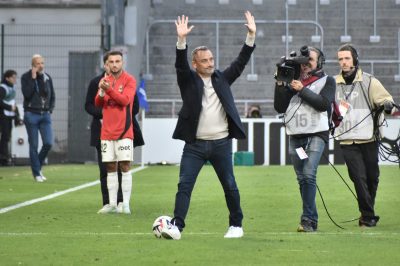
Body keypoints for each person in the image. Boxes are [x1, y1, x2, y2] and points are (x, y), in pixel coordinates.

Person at [163, 11, 256, 240]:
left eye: (211, 59)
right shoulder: (188, 79)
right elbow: (180, 64)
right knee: (184, 185)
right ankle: (176, 226)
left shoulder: (222, 78)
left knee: (230, 185)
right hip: (194, 146)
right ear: (195, 65)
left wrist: (251, 36)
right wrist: (181, 41)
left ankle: (236, 225)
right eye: (204, 61)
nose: (210, 63)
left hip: (221, 143)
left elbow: (241, 61)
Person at [334, 44, 397, 227]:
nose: (343, 62)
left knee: (372, 177)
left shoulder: (370, 81)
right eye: (340, 59)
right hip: (347, 139)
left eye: (346, 58)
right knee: (358, 177)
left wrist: (387, 106)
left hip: (370, 138)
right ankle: (368, 216)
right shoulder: (333, 83)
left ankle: (366, 213)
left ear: (355, 59)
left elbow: (387, 100)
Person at [274, 46, 336, 232]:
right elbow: (279, 107)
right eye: (303, 61)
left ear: (319, 63)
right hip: (296, 137)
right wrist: (279, 82)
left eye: (310, 61)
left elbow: (323, 104)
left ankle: (307, 219)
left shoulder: (327, 80)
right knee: (302, 178)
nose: (306, 65)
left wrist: (301, 90)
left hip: (316, 134)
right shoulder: (291, 81)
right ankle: (311, 219)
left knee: (309, 173)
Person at [85, 52, 144, 213]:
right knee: (109, 167)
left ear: (122, 63)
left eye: (117, 61)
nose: (115, 64)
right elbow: (97, 102)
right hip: (106, 132)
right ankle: (111, 204)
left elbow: (125, 100)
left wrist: (108, 90)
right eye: (111, 61)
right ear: (107, 64)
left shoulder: (129, 80)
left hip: (124, 131)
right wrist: (102, 91)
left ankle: (125, 204)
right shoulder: (104, 81)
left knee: (124, 166)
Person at [21, 54, 55, 182]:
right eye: (38, 64)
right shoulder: (26, 77)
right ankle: (36, 174)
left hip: (45, 115)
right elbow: (27, 94)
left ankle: (37, 167)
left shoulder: (47, 77)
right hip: (31, 115)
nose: (41, 66)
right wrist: (33, 78)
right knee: (33, 145)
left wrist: (50, 109)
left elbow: (52, 95)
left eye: (42, 63)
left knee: (48, 143)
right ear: (33, 65)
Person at [0, 70, 21, 166]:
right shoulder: (3, 88)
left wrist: (17, 116)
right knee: (5, 136)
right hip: (3, 115)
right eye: (13, 77)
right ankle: (3, 159)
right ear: (7, 78)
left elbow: (12, 102)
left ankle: (4, 158)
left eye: (15, 77)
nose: (14, 79)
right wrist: (9, 108)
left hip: (8, 115)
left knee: (7, 136)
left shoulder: (11, 88)